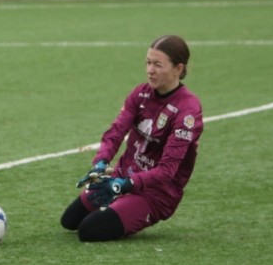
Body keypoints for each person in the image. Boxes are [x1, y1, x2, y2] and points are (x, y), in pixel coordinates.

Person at [60, 35, 203, 241]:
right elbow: (116, 132)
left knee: (88, 231)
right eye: (148, 63)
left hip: (155, 193)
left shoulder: (188, 110)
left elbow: (166, 171)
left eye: (157, 65)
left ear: (178, 69)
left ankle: (127, 209)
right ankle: (118, 205)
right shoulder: (141, 94)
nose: (150, 70)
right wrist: (100, 163)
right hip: (121, 177)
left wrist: (125, 185)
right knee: (70, 220)